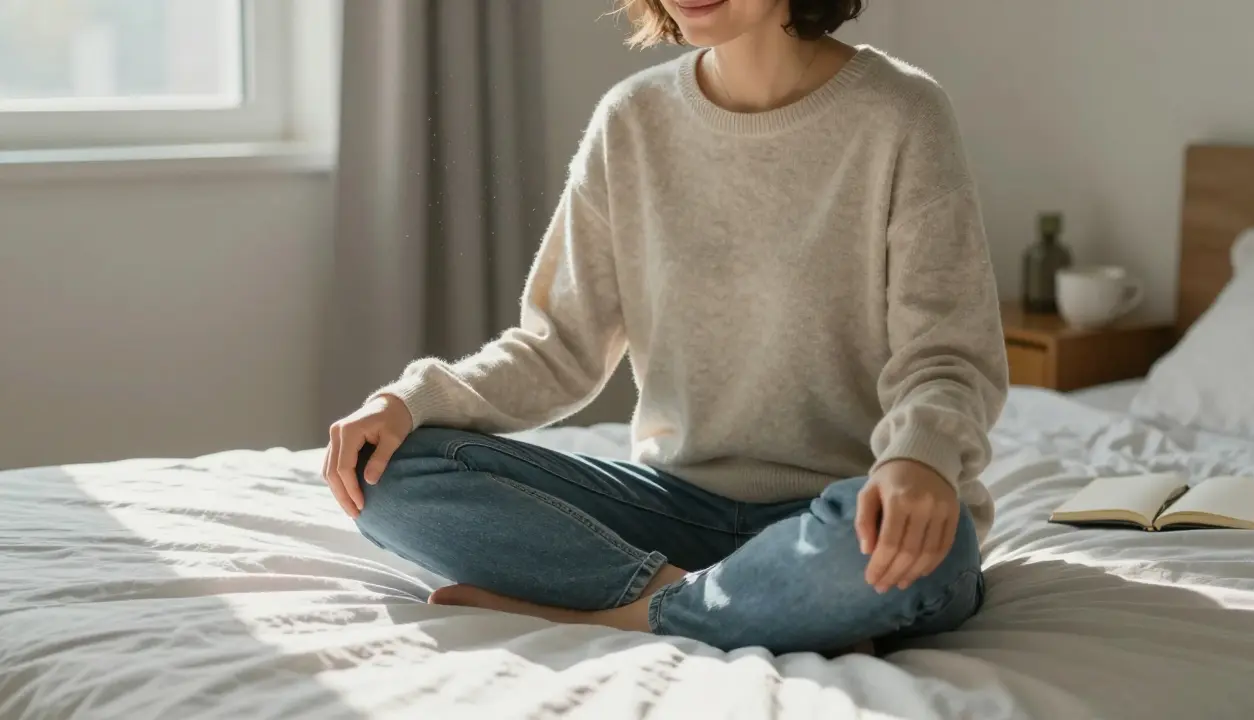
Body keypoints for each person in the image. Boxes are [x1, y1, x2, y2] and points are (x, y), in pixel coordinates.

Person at [323, 0, 1007, 656]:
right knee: (386, 471)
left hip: (849, 512)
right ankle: (715, 605)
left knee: (933, 552)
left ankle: (623, 615)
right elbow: (556, 348)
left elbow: (947, 355)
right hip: (676, 508)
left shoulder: (901, 113)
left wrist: (919, 458)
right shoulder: (633, 119)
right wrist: (410, 401)